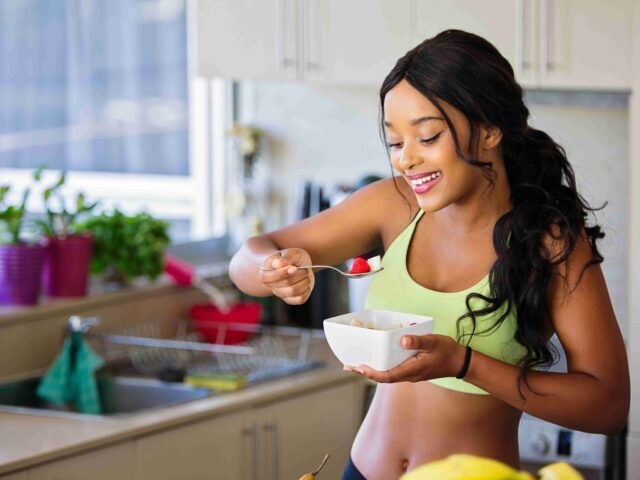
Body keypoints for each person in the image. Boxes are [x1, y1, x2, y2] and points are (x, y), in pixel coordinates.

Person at [229, 30, 630, 480]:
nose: (405, 161)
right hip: (363, 470)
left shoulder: (549, 242)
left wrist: (463, 363)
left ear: (490, 130)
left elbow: (608, 406)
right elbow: (247, 258)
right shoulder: (391, 205)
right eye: (396, 143)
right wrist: (271, 270)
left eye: (427, 137)